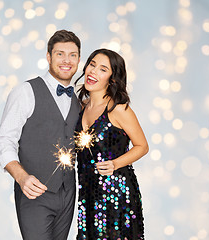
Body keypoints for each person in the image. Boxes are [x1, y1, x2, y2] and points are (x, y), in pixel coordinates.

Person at [0, 30, 81, 240]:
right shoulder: (25, 92)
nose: (67, 60)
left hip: (68, 192)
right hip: (34, 192)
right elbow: (4, 141)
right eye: (60, 54)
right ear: (48, 57)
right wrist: (21, 177)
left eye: (73, 55)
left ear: (79, 59)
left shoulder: (81, 97)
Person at [74, 48, 149, 239]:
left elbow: (142, 146)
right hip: (88, 193)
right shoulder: (80, 107)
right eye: (92, 64)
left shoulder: (118, 109)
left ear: (113, 79)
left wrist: (115, 163)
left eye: (103, 69)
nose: (93, 72)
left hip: (116, 195)